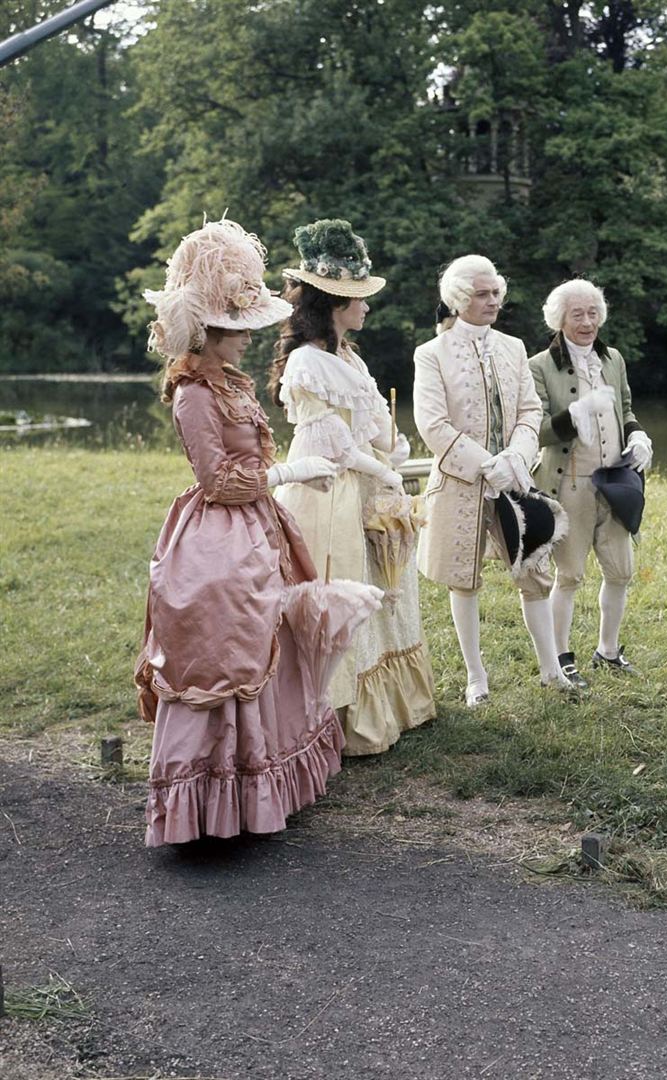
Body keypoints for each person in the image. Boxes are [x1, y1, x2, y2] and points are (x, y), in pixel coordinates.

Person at [135, 218, 347, 846]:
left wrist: (281, 477)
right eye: (237, 330)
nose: (249, 339)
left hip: (256, 525)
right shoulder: (194, 393)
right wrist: (286, 470)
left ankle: (266, 779)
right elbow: (217, 478)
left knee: (271, 631)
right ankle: (213, 793)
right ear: (209, 330)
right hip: (216, 534)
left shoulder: (232, 382)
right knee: (226, 635)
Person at [269, 219, 436, 754]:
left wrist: (395, 446)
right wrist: (381, 469)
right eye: (358, 297)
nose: (366, 306)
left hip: (365, 480)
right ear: (334, 303)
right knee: (348, 587)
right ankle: (342, 715)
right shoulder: (306, 362)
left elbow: (367, 426)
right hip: (330, 489)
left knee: (385, 587)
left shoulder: (350, 357)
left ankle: (394, 705)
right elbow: (332, 445)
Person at [413, 254, 571, 707]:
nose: (493, 301)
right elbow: (433, 424)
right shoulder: (431, 353)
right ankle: (476, 677)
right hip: (460, 481)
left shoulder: (513, 346)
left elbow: (529, 409)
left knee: (534, 572)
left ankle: (550, 670)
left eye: (496, 292)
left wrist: (516, 457)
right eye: (482, 294)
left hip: (515, 477)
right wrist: (487, 464)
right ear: (459, 299)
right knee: (464, 579)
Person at [527, 278, 653, 688]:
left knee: (620, 571)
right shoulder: (538, 366)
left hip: (615, 481)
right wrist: (576, 414)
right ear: (559, 319)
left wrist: (637, 434)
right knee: (570, 576)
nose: (587, 321)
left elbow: (627, 407)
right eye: (577, 314)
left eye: (593, 312)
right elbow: (538, 430)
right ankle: (562, 657)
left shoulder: (613, 358)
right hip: (570, 484)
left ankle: (608, 650)